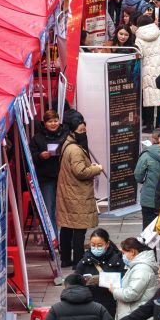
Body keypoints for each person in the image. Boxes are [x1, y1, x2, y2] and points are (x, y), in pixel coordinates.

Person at [56, 114, 104, 268]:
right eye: (81, 130)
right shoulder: (75, 149)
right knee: (78, 229)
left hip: (68, 191)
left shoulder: (66, 144)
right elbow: (80, 172)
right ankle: (77, 260)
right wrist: (96, 169)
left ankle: (65, 258)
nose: (84, 132)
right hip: (77, 193)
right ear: (72, 131)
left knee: (67, 226)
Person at [74, 228, 125, 318]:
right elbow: (74, 282)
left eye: (100, 245)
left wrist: (104, 280)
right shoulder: (84, 261)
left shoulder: (117, 261)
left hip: (111, 304)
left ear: (107, 244)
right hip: (89, 305)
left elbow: (125, 280)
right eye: (93, 245)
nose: (96, 248)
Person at [31, 110, 68, 233]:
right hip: (46, 178)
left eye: (55, 120)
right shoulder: (37, 138)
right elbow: (31, 157)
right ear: (45, 123)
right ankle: (53, 241)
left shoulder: (66, 135)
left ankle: (68, 240)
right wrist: (41, 156)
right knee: (49, 208)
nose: (53, 124)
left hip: (65, 176)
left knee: (67, 209)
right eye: (50, 121)